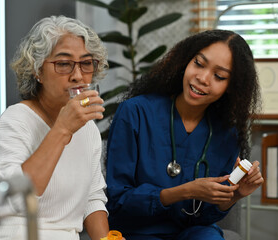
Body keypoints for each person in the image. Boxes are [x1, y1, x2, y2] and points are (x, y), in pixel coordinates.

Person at [105, 29, 264, 240]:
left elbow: (204, 216)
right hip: (137, 231)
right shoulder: (135, 113)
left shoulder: (227, 134)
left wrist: (233, 196)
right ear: (185, 62)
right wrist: (185, 191)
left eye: (219, 76)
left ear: (230, 87)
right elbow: (118, 201)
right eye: (198, 63)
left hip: (193, 233)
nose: (202, 78)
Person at [0, 15, 109, 240]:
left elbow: (93, 197)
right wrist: (62, 129)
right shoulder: (15, 120)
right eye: (63, 64)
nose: (78, 76)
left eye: (86, 63)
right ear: (37, 71)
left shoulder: (88, 128)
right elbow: (18, 199)